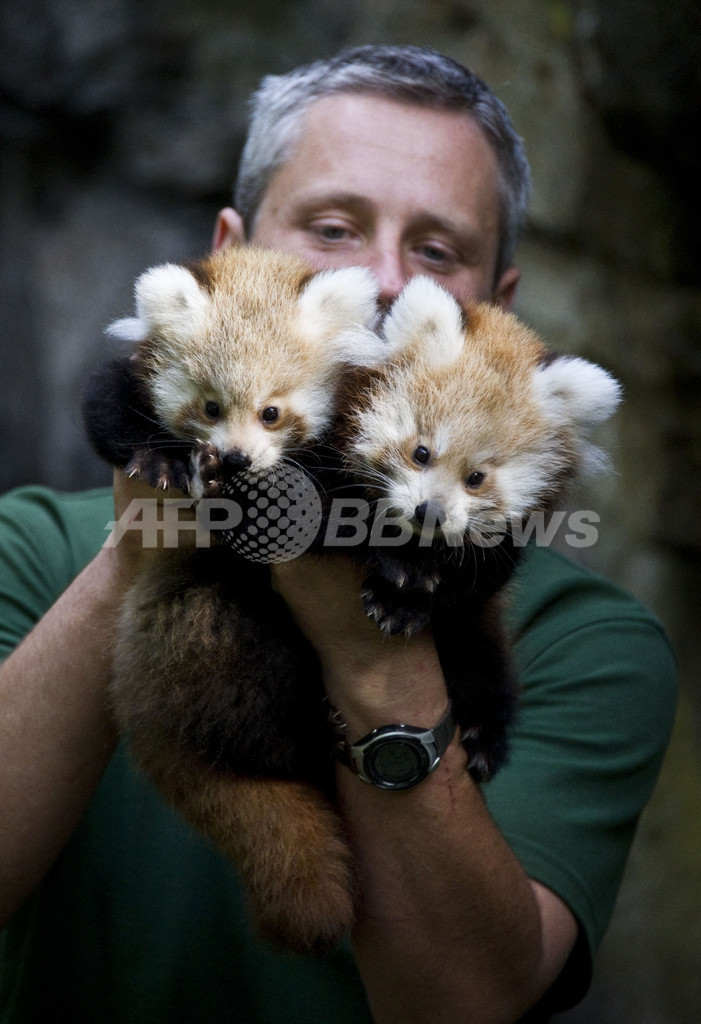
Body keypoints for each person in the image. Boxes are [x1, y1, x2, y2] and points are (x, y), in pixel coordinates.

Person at [0, 45, 676, 1024]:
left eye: (437, 253)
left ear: (495, 310)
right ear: (227, 253)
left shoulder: (589, 646)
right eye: (331, 228)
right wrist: (142, 548)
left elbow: (465, 1005)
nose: (385, 280)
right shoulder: (30, 546)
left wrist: (371, 641)